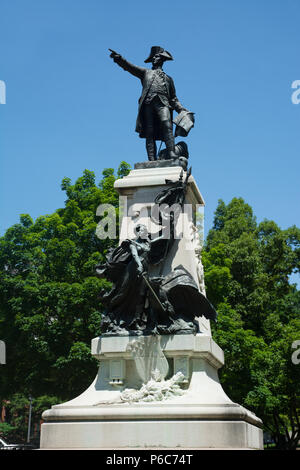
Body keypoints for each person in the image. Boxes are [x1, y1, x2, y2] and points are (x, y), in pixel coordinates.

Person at [109, 46, 188, 161]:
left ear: (162, 59)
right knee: (149, 131)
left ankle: (171, 153)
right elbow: (130, 67)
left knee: (167, 124)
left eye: (156, 57)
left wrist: (181, 109)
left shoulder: (168, 79)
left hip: (163, 103)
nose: (154, 59)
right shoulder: (146, 73)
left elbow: (174, 98)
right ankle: (151, 159)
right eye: (153, 57)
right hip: (148, 103)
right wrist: (119, 59)